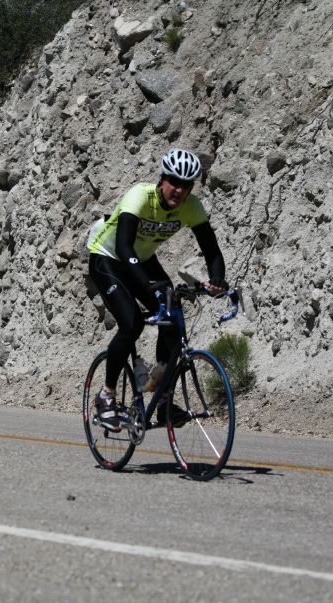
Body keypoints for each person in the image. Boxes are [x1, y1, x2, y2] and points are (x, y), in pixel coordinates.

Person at [86, 148, 227, 430]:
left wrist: (218, 281)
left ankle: (162, 399)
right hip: (108, 256)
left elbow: (212, 251)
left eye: (186, 185)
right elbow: (124, 248)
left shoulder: (191, 207)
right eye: (173, 181)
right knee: (132, 324)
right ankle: (106, 396)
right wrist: (150, 288)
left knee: (172, 315)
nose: (178, 189)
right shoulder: (141, 196)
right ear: (162, 180)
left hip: (143, 259)